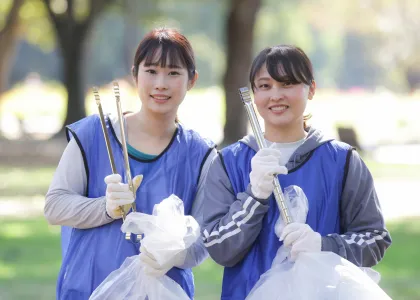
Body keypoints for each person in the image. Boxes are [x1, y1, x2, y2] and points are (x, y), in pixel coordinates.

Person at [201, 45, 391, 299]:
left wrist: (324, 245)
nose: (276, 95)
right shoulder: (228, 162)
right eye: (265, 86)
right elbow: (219, 248)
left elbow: (374, 239)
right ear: (253, 93)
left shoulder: (342, 161)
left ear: (311, 89)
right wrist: (254, 196)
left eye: (288, 83)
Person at [44, 28, 217, 300]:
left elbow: (202, 242)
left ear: (192, 80)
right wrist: (105, 207)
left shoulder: (202, 154)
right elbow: (54, 206)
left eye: (173, 73)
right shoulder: (93, 134)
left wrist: (173, 252)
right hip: (89, 288)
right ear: (135, 74)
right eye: (151, 71)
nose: (160, 83)